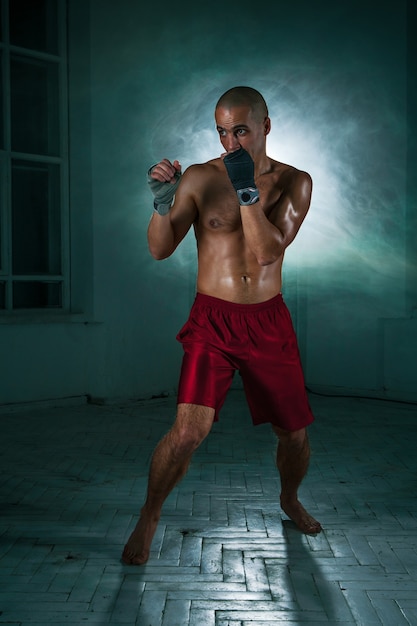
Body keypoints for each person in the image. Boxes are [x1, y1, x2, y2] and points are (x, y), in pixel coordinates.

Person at [122, 86, 321, 566]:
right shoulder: (199, 177)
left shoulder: (296, 181)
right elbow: (159, 248)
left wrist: (246, 190)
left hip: (267, 321)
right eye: (222, 131)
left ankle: (289, 498)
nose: (230, 141)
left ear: (266, 127)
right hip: (213, 319)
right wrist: (162, 204)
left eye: (241, 130)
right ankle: (149, 515)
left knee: (292, 434)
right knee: (188, 431)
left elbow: (268, 251)